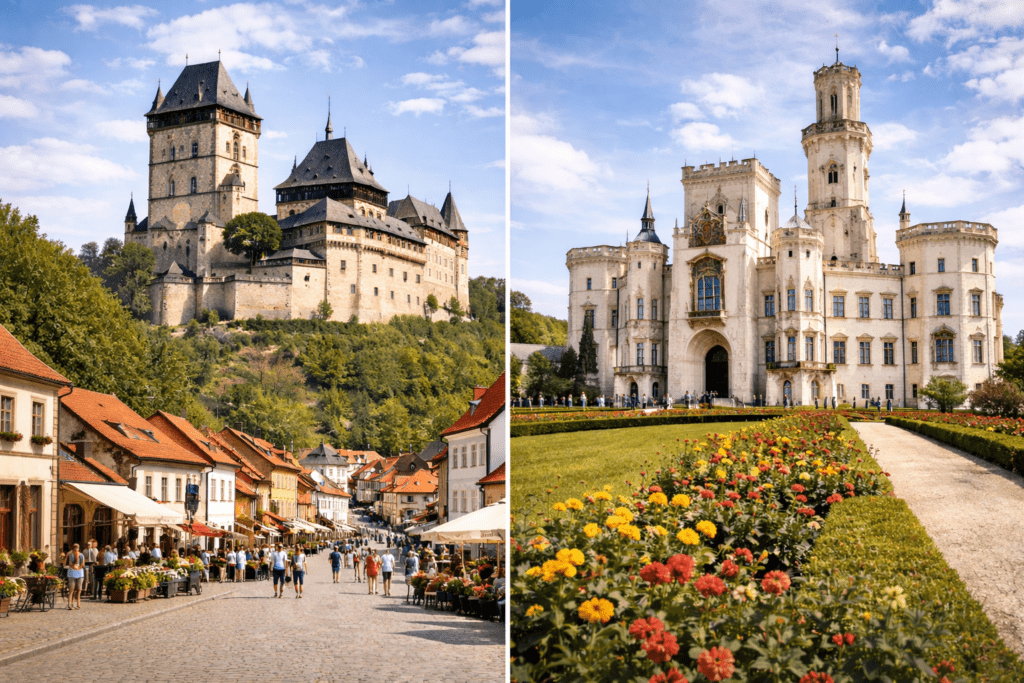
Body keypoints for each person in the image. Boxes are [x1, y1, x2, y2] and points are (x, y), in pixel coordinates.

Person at [65, 543, 85, 610]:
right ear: (73, 549)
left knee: (79, 589)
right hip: (72, 573)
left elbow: (83, 564)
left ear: (79, 549)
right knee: (71, 589)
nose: (76, 549)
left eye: (77, 548)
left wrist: (79, 567)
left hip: (79, 573)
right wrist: (74, 566)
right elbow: (70, 564)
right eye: (75, 548)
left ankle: (78, 603)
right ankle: (70, 604)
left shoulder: (81, 555)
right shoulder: (71, 555)